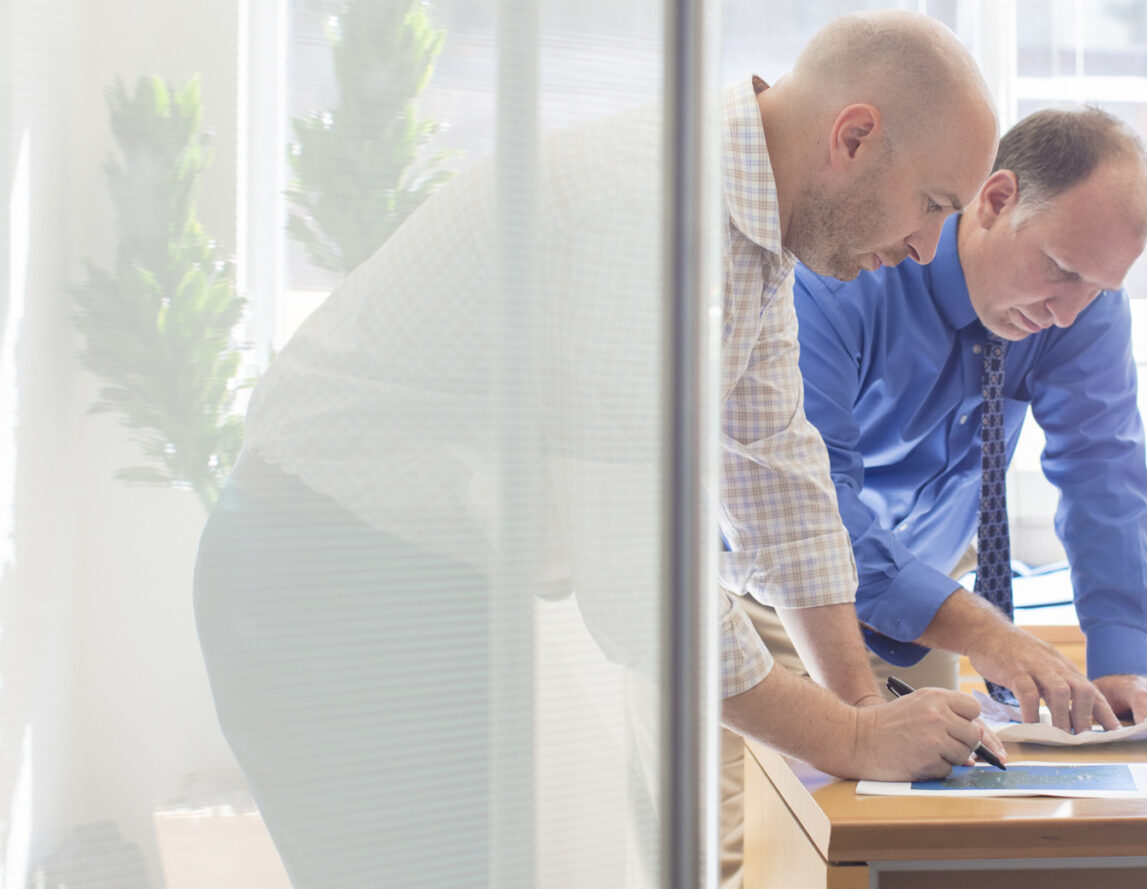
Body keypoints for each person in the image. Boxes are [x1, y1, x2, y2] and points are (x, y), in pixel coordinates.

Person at [192, 10, 1001, 889]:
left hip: (407, 575)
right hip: (325, 574)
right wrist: (850, 738)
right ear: (853, 137)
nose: (927, 249)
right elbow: (643, 587)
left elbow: (778, 473)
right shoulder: (650, 216)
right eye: (933, 206)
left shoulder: (753, 228)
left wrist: (859, 704)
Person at [750, 107, 1147, 740]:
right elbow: (809, 510)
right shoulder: (848, 276)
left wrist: (1125, 667)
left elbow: (1105, 481)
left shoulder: (1081, 306)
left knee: (927, 819)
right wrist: (986, 631)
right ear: (996, 200)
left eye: (1099, 289)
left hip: (923, 600)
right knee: (758, 829)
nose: (1068, 315)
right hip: (776, 591)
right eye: (1062, 270)